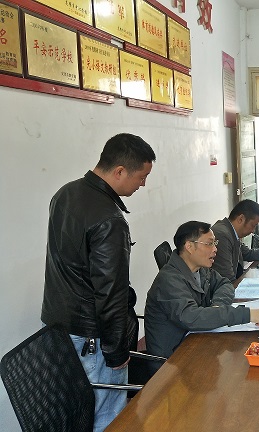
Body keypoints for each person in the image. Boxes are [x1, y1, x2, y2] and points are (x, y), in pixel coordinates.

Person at [41, 133, 156, 431]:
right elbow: (111, 294)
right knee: (107, 414)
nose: (143, 184)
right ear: (120, 171)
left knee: (75, 409)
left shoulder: (65, 193)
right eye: (142, 177)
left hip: (59, 327)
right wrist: (116, 352)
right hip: (92, 336)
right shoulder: (109, 219)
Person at [144, 221, 259, 362]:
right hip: (171, 361)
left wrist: (218, 306)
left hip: (196, 342)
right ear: (189, 247)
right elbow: (191, 317)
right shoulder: (168, 280)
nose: (215, 249)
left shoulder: (200, 269)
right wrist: (245, 314)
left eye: (214, 243)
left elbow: (224, 284)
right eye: (209, 244)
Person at [211, 200, 259, 282]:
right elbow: (226, 280)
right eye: (253, 225)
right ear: (241, 219)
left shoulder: (230, 231)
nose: (253, 231)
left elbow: (247, 253)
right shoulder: (222, 235)